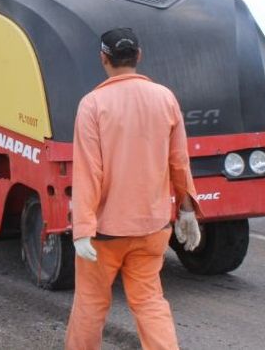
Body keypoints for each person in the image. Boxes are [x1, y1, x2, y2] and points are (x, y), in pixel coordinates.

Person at [65, 27, 202, 350]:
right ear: (138, 57)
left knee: (90, 305)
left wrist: (83, 227)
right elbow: (179, 162)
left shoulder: (92, 104)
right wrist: (186, 210)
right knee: (150, 302)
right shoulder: (165, 98)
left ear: (103, 59)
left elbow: (88, 170)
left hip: (104, 233)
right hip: (153, 228)